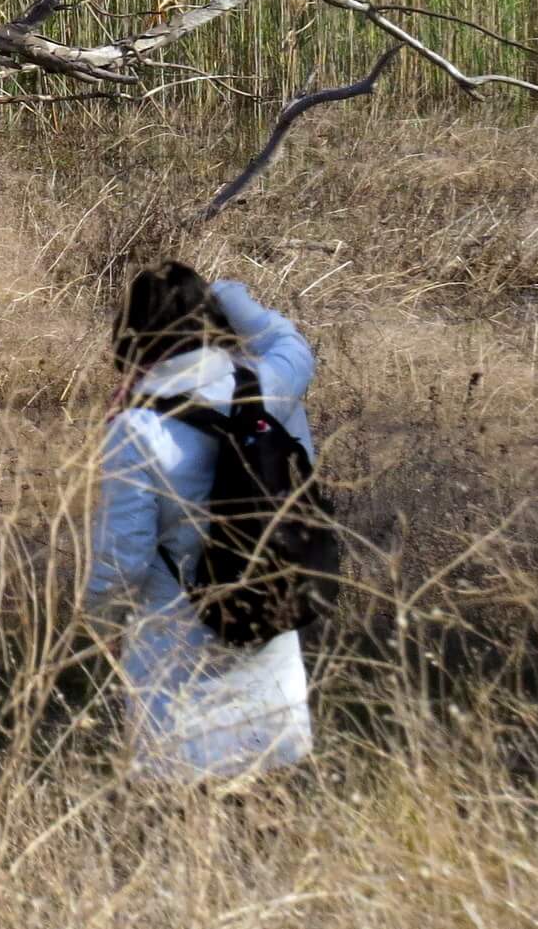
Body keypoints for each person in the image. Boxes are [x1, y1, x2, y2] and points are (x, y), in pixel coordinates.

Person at [83, 260, 319, 783]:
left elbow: (123, 559)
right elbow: (292, 343)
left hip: (179, 655)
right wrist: (232, 296)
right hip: (268, 632)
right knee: (266, 807)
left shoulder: (137, 431)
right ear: (211, 323)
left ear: (130, 336)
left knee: (184, 818)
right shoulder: (267, 385)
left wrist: (101, 623)